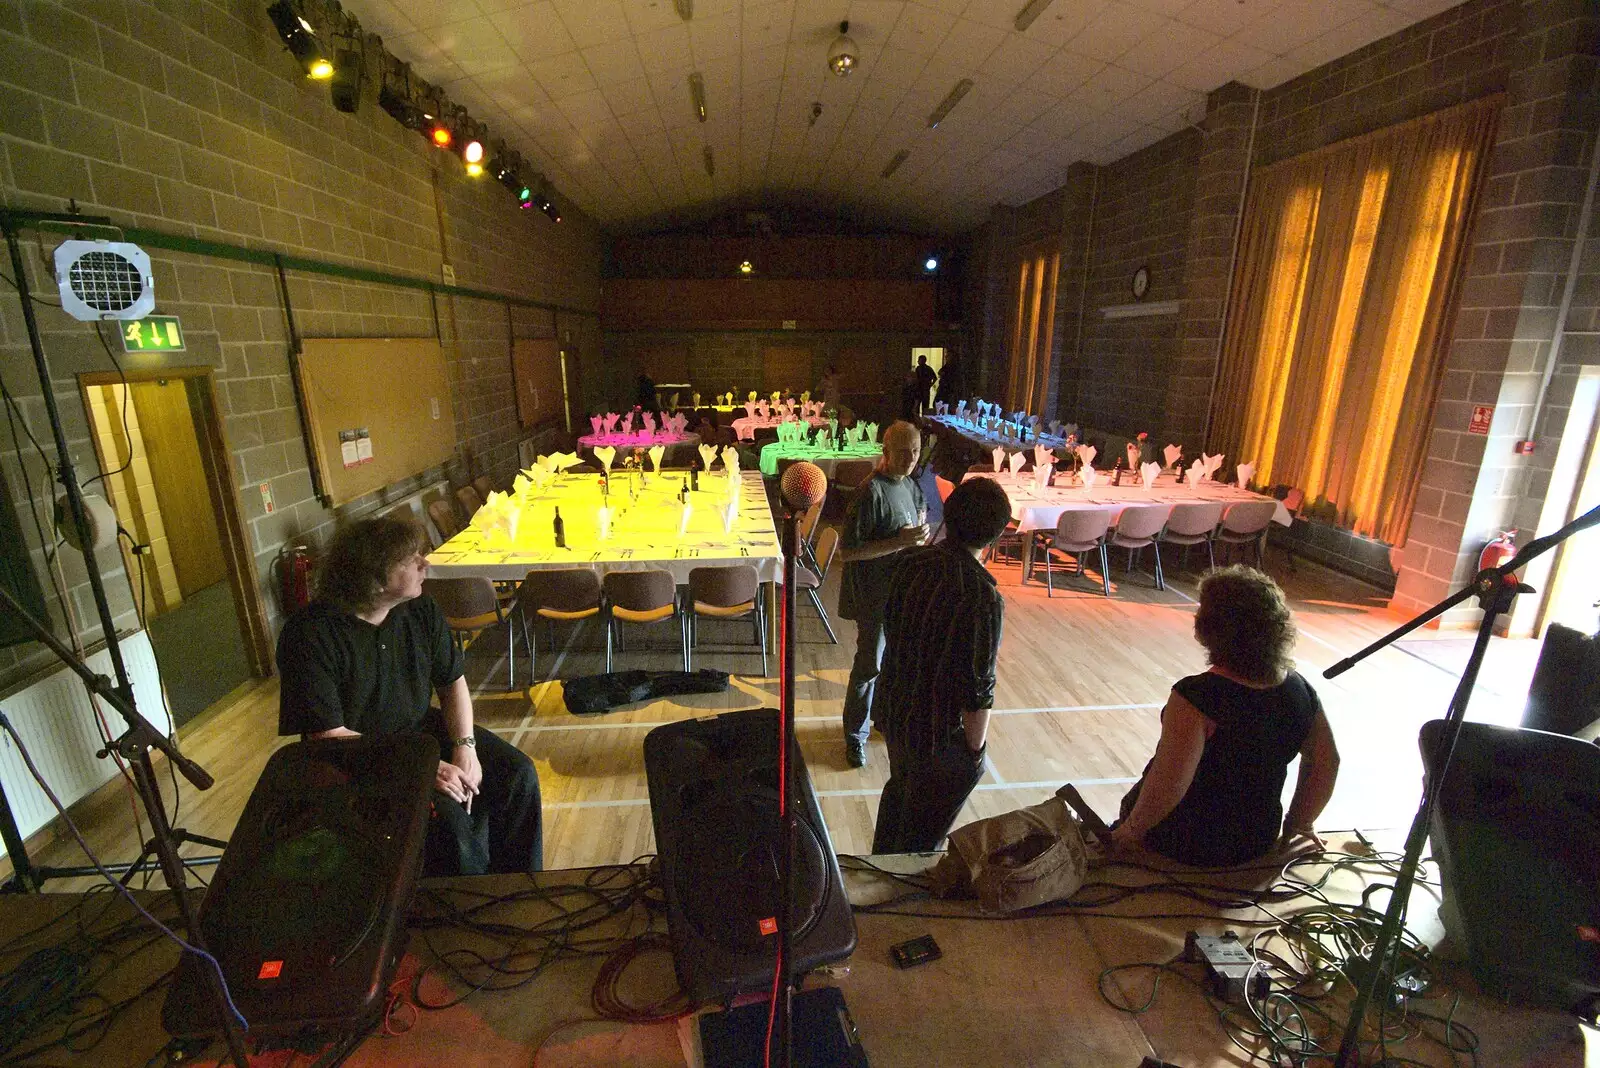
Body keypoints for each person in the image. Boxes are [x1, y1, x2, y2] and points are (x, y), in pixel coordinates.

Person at [277, 516, 544, 876]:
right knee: (449, 823)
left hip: (418, 734)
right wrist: (424, 767)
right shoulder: (310, 633)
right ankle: (469, 907)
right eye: (410, 559)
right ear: (372, 575)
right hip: (358, 755)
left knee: (518, 775)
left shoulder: (420, 610)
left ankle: (520, 887)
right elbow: (326, 736)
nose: (425, 563)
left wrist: (465, 746)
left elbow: (452, 683)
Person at [1107, 566, 1340, 866]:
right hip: (1256, 839)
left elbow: (1170, 785)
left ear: (1212, 629)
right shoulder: (1300, 688)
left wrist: (1129, 832)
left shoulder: (1195, 697)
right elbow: (1327, 762)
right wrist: (1300, 823)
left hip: (1184, 839)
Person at [871, 476, 1012, 853]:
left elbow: (893, 629)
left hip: (896, 712)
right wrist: (975, 753)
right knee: (920, 845)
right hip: (936, 737)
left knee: (899, 799)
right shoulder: (982, 596)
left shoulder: (908, 563)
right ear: (996, 536)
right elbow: (978, 688)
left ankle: (874, 882)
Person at [837, 421, 929, 768]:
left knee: (893, 665)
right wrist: (899, 542)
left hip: (902, 595)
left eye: (916, 451)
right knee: (869, 666)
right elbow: (848, 552)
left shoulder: (912, 487)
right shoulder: (869, 492)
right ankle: (853, 736)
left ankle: (882, 720)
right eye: (903, 451)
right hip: (874, 596)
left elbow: (917, 529)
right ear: (886, 452)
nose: (910, 458)